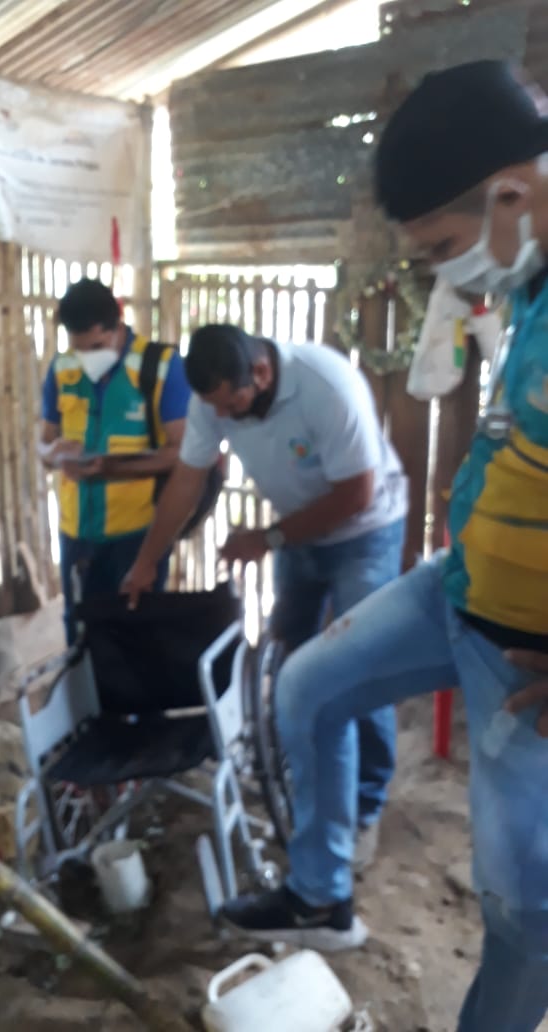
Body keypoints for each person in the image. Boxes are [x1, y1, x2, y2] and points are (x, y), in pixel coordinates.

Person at [214, 60, 548, 1032]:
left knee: (523, 904)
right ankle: (321, 896)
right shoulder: (533, 281)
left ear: (512, 194)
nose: (443, 272)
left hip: (529, 658)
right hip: (460, 588)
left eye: (442, 245)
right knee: (305, 687)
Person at [123, 323, 408, 865]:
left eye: (231, 405)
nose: (222, 417)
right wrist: (147, 559)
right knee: (292, 655)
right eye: (214, 407)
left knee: (361, 667)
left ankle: (364, 807)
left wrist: (269, 539)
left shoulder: (327, 386)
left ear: (260, 372)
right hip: (298, 531)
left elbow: (357, 494)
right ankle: (301, 773)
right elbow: (187, 481)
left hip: (365, 533)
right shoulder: (213, 401)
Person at [39, 278, 191, 643]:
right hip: (77, 535)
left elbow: (185, 454)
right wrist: (52, 455)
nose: (86, 357)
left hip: (137, 536)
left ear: (117, 323)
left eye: (96, 346)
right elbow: (43, 443)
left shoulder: (161, 368)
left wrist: (113, 468)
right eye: (78, 348)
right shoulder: (62, 369)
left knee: (137, 639)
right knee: (80, 637)